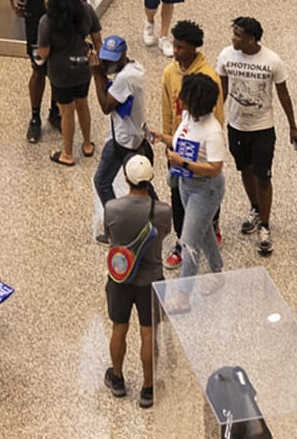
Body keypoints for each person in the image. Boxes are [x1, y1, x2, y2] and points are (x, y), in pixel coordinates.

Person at [218, 17, 297, 257]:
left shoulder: (272, 61)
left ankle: (265, 226)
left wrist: (293, 126)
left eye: (238, 35)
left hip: (263, 128)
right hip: (236, 126)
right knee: (245, 169)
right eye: (233, 33)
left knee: (263, 177)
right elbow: (222, 91)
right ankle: (255, 209)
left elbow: (283, 95)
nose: (233, 38)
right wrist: (214, 120)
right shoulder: (226, 56)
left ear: (251, 39)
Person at [101, 152, 169, 409]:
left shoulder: (112, 208)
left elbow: (109, 236)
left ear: (126, 178)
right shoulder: (162, 211)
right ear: (150, 179)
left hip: (120, 278)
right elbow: (164, 234)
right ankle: (148, 388)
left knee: (119, 327)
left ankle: (117, 378)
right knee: (148, 332)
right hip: (150, 278)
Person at [8, 0, 75, 142]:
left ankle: (55, 111)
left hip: (64, 25)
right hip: (37, 26)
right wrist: (17, 4)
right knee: (38, 70)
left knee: (59, 69)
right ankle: (35, 117)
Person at [166, 73, 229, 277]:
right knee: (203, 230)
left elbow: (215, 167)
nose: (180, 99)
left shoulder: (212, 131)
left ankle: (184, 293)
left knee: (189, 242)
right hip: (186, 183)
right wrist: (162, 138)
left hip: (206, 190)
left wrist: (183, 163)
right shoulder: (188, 117)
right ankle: (217, 269)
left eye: (184, 96)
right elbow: (181, 142)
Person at [35, 0, 101, 167]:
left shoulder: (47, 21)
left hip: (60, 71)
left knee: (66, 111)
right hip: (83, 66)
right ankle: (87, 144)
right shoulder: (87, 10)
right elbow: (98, 41)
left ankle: (67, 153)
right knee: (83, 104)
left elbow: (44, 52)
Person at [91, 36, 146, 210]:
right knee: (140, 182)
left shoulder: (125, 78)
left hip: (124, 140)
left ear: (124, 55)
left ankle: (116, 222)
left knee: (102, 181)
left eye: (112, 60)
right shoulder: (135, 67)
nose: (108, 63)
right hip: (132, 134)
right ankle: (152, 214)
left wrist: (96, 74)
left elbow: (106, 106)